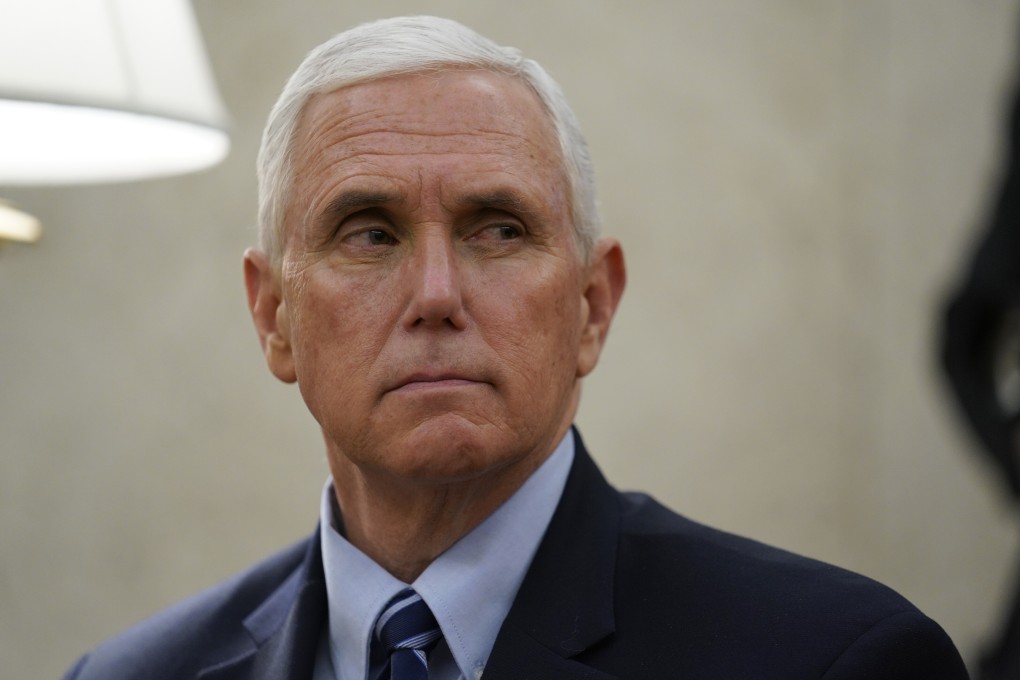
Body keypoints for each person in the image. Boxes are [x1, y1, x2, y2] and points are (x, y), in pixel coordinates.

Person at [64, 15, 969, 680]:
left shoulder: (835, 660)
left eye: (497, 230)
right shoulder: (122, 676)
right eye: (369, 234)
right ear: (274, 318)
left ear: (591, 307)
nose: (436, 296)